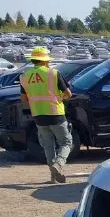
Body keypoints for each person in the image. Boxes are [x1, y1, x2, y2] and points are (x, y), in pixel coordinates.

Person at [20, 46, 73, 183]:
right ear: (45, 61)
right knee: (66, 142)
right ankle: (58, 164)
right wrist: (59, 98)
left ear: (33, 60)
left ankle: (53, 177)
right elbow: (68, 94)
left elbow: (24, 99)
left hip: (38, 116)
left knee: (48, 146)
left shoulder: (25, 76)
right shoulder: (53, 73)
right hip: (56, 114)